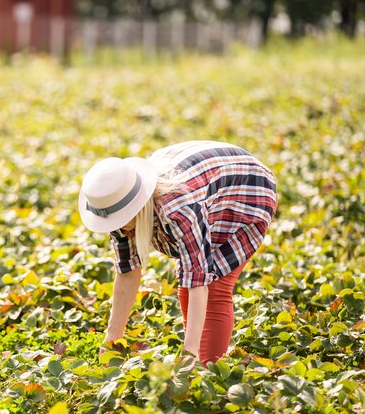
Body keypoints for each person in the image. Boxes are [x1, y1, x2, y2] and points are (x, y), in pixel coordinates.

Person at [78, 141, 277, 364]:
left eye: (123, 219)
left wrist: (189, 353)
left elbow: (198, 280)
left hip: (246, 189)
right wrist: (112, 337)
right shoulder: (115, 202)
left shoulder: (178, 211)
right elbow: (127, 272)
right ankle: (198, 362)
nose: (119, 226)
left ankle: (207, 369)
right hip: (202, 178)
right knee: (186, 289)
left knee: (215, 289)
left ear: (136, 207)